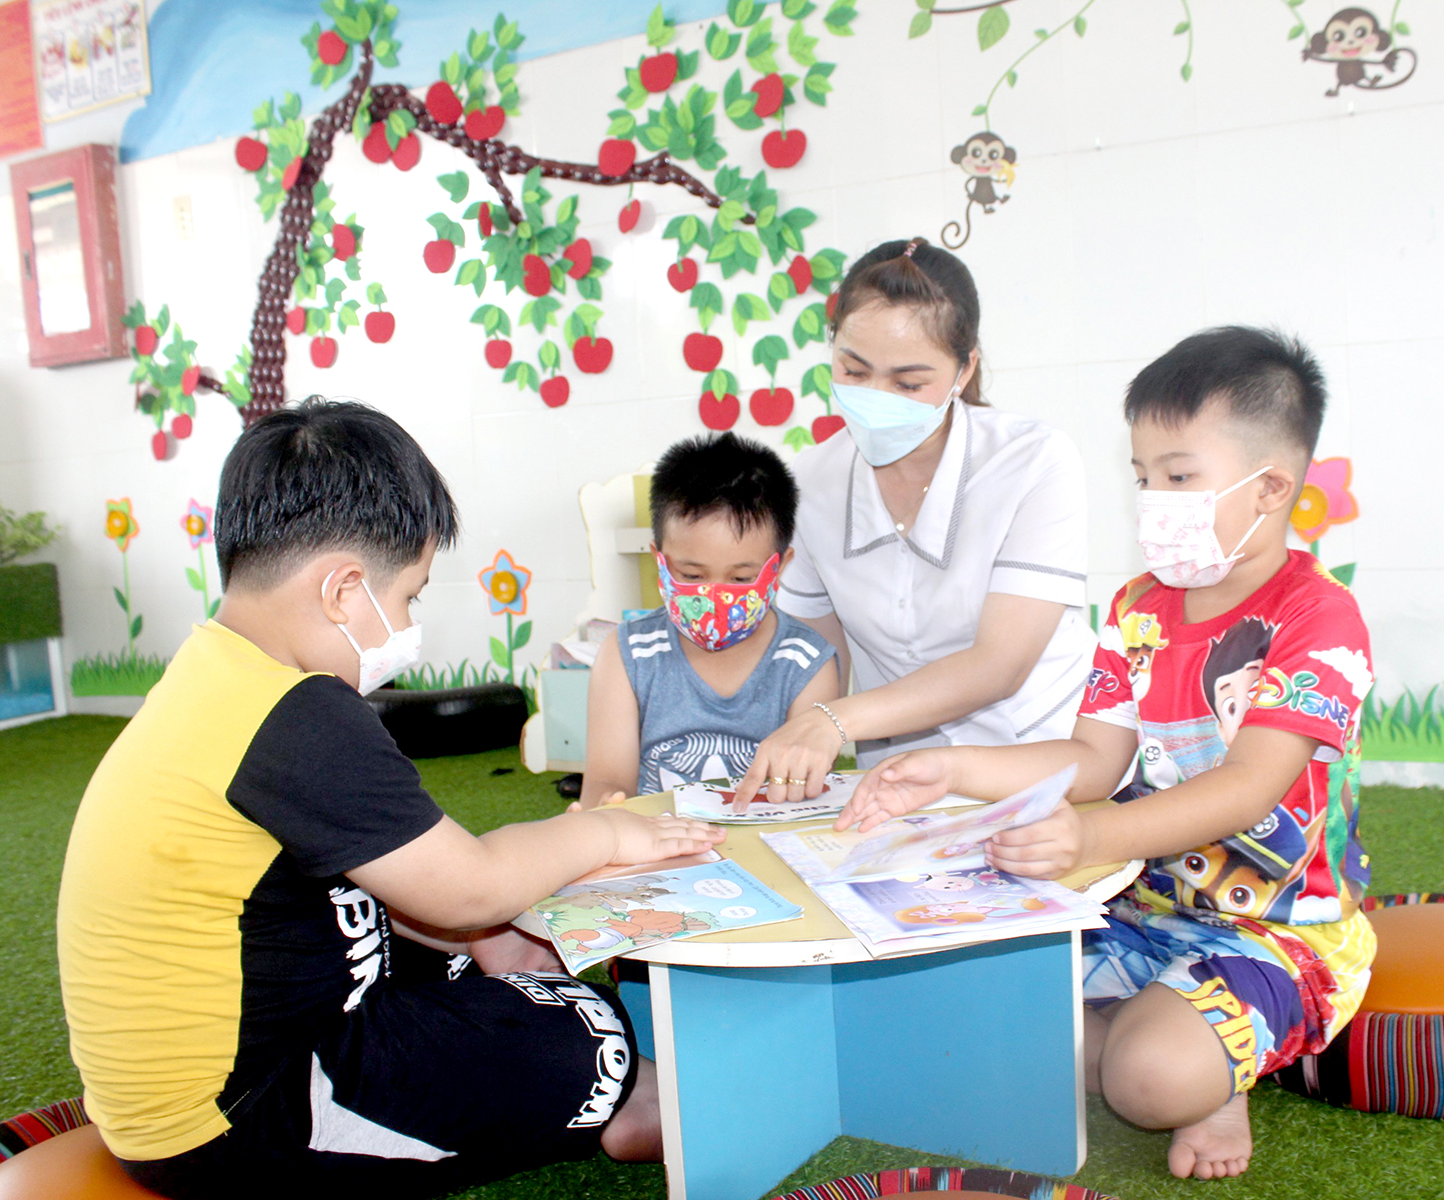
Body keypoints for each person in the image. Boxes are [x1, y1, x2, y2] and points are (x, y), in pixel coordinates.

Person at [56, 399, 723, 1199]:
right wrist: (605, 831)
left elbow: (379, 876)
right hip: (234, 1125)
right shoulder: (296, 714)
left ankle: (565, 1044)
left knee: (476, 953)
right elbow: (470, 884)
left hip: (233, 1055)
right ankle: (625, 1093)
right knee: (584, 1032)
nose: (406, 624)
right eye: (408, 596)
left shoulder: (217, 673)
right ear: (343, 590)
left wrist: (483, 935)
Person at [837, 328, 1376, 1181]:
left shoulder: (1319, 617)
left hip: (1277, 933)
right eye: (1143, 477)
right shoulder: (1139, 608)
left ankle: (1203, 1069)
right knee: (969, 1012)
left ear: (1271, 488)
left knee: (1146, 1083)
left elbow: (1247, 788)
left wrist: (1090, 837)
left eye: (1179, 477)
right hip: (1137, 909)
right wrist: (955, 769)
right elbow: (1095, 758)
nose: (1153, 499)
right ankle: (1173, 1029)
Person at [734, 236, 1094, 808]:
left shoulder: (1032, 461)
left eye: (908, 384)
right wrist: (793, 751)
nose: (876, 398)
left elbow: (999, 665)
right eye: (854, 370)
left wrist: (834, 722)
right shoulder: (811, 483)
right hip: (895, 787)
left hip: (1035, 765)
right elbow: (819, 662)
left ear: (964, 369)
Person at [576, 433, 839, 806]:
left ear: (780, 567)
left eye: (741, 579)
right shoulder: (628, 654)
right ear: (659, 560)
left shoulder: (807, 663)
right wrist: (607, 807)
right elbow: (606, 781)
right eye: (692, 575)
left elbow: (803, 792)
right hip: (654, 839)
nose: (714, 599)